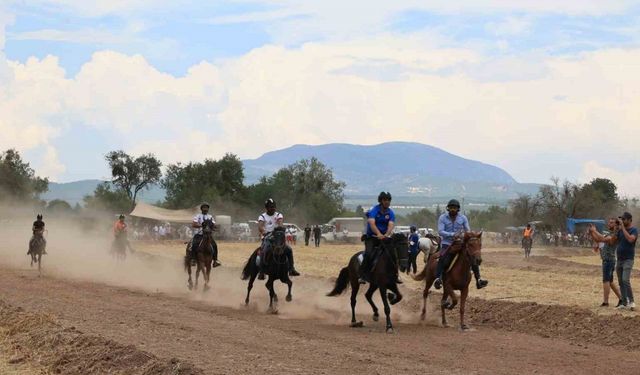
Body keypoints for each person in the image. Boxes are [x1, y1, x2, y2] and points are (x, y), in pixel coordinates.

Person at [434, 199, 488, 290]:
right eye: (451, 208)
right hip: (447, 243)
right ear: (448, 208)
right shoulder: (442, 218)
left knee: (472, 257)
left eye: (454, 208)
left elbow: (467, 231)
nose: (452, 209)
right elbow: (440, 231)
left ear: (458, 209)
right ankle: (438, 278)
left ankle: (478, 279)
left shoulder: (463, 218)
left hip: (461, 243)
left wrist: (464, 235)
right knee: (443, 259)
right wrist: (452, 234)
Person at [359, 191, 399, 284]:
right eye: (385, 200)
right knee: (369, 254)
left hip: (384, 237)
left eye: (389, 200)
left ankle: (395, 275)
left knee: (393, 253)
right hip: (371, 237)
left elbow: (391, 224)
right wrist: (378, 234)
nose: (387, 202)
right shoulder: (374, 210)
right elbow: (372, 224)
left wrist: (386, 234)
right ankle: (363, 275)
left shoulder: (391, 212)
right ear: (381, 201)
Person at [257, 198, 300, 280]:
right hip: (267, 238)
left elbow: (280, 222)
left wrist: (279, 227)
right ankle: (262, 271)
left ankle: (291, 269)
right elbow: (260, 227)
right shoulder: (262, 216)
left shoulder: (278, 215)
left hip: (277, 237)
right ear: (266, 208)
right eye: (270, 207)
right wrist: (264, 231)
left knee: (289, 249)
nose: (272, 208)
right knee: (264, 250)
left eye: (273, 207)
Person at [588, 219, 623, 307]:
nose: (609, 224)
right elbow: (598, 239)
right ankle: (621, 298)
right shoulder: (610, 233)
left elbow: (602, 239)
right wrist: (592, 232)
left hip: (608, 260)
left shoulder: (615, 235)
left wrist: (594, 231)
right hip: (608, 260)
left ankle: (606, 302)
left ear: (616, 225)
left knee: (606, 281)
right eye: (609, 222)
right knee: (610, 281)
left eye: (611, 222)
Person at [615, 212, 637, 310]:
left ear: (629, 220)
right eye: (622, 219)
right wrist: (616, 230)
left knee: (625, 280)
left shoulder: (634, 230)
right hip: (619, 259)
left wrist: (623, 228)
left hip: (628, 259)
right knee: (620, 281)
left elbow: (631, 240)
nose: (622, 221)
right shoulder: (620, 230)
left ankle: (631, 301)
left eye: (624, 219)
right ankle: (624, 302)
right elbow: (614, 241)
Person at [191, 202, 221, 267]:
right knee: (194, 244)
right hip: (199, 234)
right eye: (204, 208)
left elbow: (213, 225)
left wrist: (215, 228)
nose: (205, 209)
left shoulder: (210, 217)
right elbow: (194, 224)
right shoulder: (198, 216)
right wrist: (202, 225)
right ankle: (193, 259)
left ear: (208, 209)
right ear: (201, 209)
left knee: (214, 245)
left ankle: (215, 260)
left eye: (207, 208)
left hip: (208, 235)